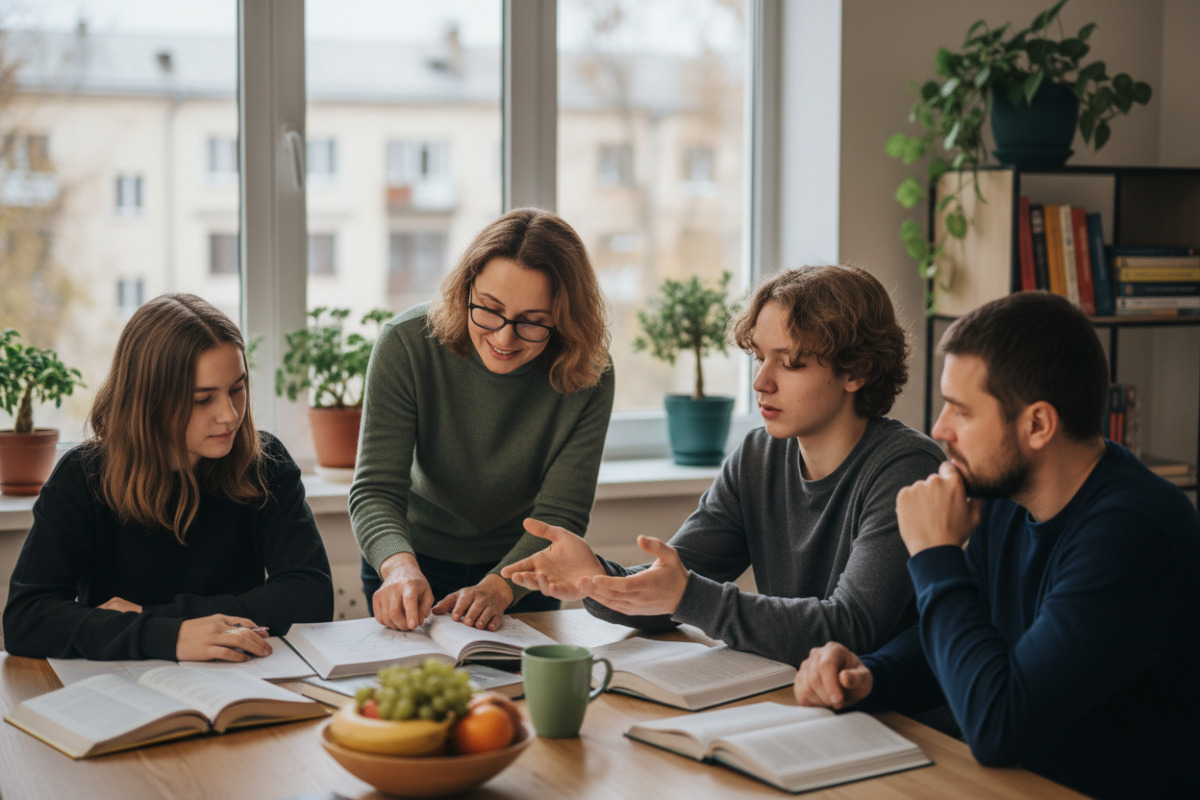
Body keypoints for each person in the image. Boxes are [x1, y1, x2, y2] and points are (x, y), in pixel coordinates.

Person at [792, 291, 1200, 799]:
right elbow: (966, 638)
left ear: (1037, 425)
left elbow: (998, 726)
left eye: (961, 411)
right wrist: (870, 674)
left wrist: (935, 555)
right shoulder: (1007, 494)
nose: (939, 428)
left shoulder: (1132, 534)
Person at [502, 265, 945, 665]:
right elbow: (671, 585)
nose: (761, 382)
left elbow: (851, 629)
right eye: (758, 356)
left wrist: (687, 595)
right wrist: (595, 578)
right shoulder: (758, 456)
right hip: (796, 695)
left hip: (894, 720)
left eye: (790, 363)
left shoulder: (906, 469)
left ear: (856, 371)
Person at [3, 294, 334, 662]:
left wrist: (155, 619)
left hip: (241, 684)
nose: (229, 415)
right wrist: (172, 637)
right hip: (121, 694)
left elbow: (311, 596)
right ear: (149, 401)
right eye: (202, 399)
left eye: (236, 389)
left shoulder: (265, 463)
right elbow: (26, 620)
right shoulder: (83, 476)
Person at [351, 208, 613, 633]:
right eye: (489, 309)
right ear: (465, 289)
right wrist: (399, 568)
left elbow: (561, 513)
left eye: (533, 322)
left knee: (519, 698)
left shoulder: (586, 372)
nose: (503, 338)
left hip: (525, 569)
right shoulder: (406, 344)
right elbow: (375, 489)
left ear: (564, 320)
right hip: (410, 560)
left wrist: (499, 587)